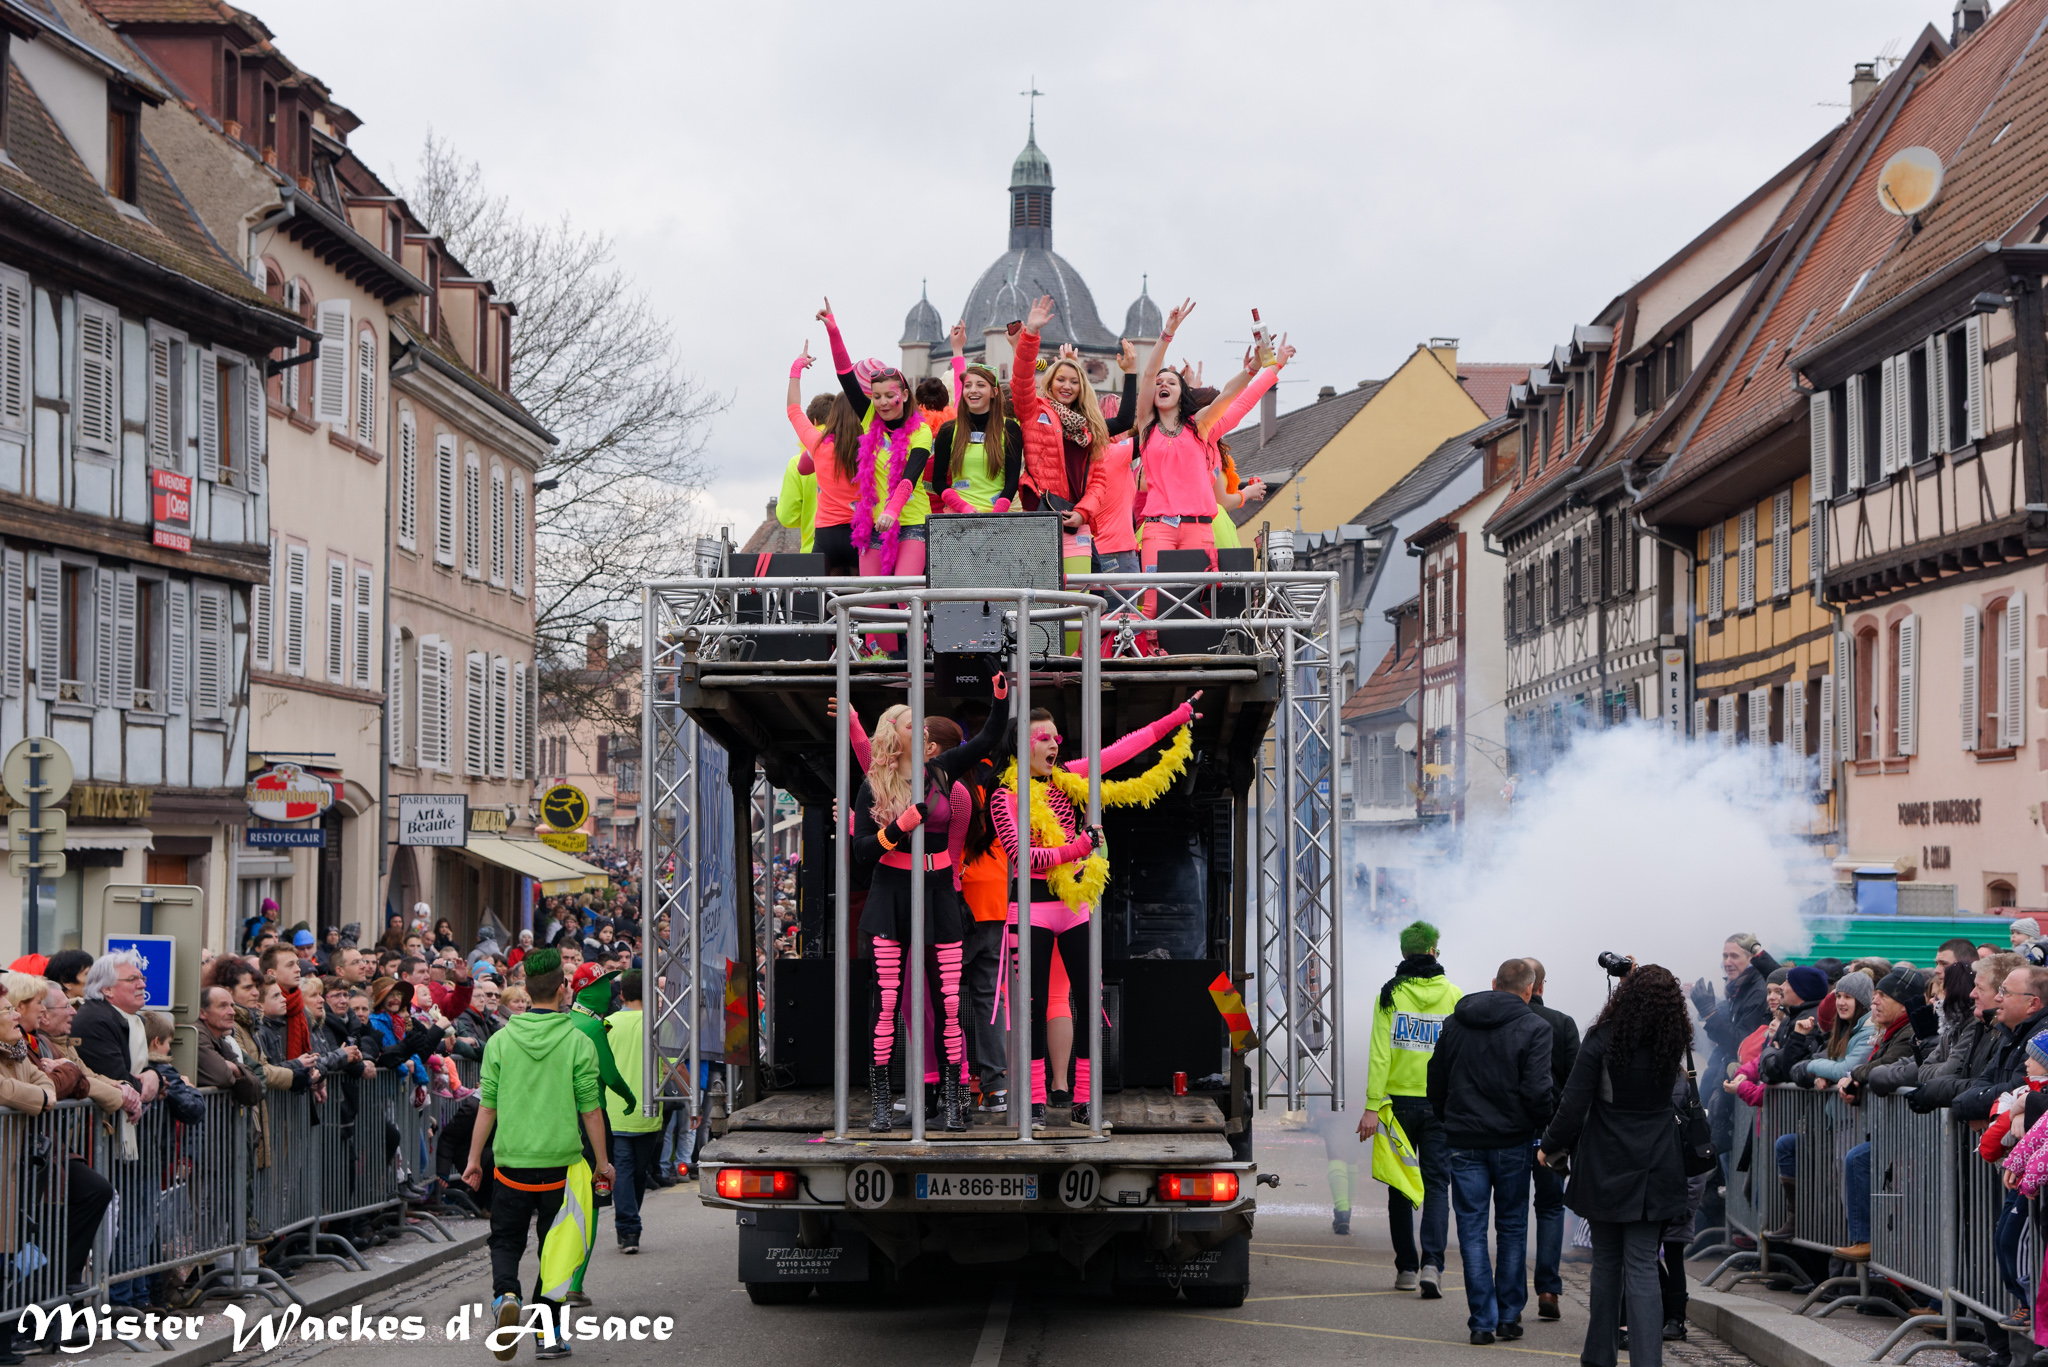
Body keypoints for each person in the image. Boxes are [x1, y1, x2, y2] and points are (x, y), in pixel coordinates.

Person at [987, 698, 1202, 1128]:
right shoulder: (1004, 796)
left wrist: (1174, 718)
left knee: (1089, 1000)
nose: (1053, 745)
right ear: (1020, 746)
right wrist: (1077, 849)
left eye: (1055, 738)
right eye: (1043, 738)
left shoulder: (1067, 779)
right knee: (1030, 1007)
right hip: (1029, 908)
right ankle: (1032, 1100)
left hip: (1074, 907)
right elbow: (1020, 854)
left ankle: (1084, 1098)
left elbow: (1120, 751)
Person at [845, 686, 1013, 1132]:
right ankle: (882, 1102)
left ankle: (957, 1102)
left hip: (939, 892)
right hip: (892, 894)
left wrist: (999, 697)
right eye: (910, 723)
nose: (920, 729)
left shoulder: (940, 770)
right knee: (888, 1004)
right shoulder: (874, 785)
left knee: (950, 1005)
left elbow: (987, 739)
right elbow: (861, 851)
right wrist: (898, 828)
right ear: (895, 736)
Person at [1540, 965, 1691, 1367]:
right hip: (1657, 1160)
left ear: (1625, 996)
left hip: (1606, 1158)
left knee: (1606, 1261)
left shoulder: (1604, 1038)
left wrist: (1550, 1145)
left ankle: (1598, 1356)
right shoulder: (1673, 1039)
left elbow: (1573, 1103)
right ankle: (1647, 1361)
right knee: (1642, 1263)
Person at [463, 949, 610, 1362]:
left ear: (525, 990)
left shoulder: (500, 1041)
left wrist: (475, 1158)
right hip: (561, 1166)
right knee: (556, 1249)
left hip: (511, 1164)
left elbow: (487, 1106)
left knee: (506, 1240)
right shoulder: (579, 1041)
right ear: (563, 990)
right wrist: (602, 1162)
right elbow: (591, 1109)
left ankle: (505, 1295)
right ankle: (548, 1337)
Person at [1427, 957, 1552, 1345]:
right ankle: (1509, 1316)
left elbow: (1436, 1080)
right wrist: (1540, 1124)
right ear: (1530, 990)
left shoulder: (1456, 1022)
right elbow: (1536, 1090)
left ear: (1494, 982)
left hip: (1464, 1140)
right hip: (1513, 1141)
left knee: (1471, 1230)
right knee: (1513, 1227)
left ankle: (1482, 1320)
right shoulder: (1536, 1026)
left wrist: (1450, 1119)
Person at [1126, 298, 1273, 574]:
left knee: (1192, 602)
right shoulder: (1147, 426)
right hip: (1158, 527)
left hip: (1198, 526)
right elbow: (1147, 375)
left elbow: (1230, 396)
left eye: (1171, 382)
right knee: (1156, 604)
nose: (1162, 384)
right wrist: (1168, 332)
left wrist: (1254, 366)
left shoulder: (1199, 425)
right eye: (1160, 383)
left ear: (1183, 394)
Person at [1360, 920, 1462, 1298]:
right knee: (1437, 1184)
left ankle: (1406, 1267)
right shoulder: (1454, 995)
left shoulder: (1389, 995)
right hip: (1440, 1106)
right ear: (1434, 951)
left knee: (1400, 1186)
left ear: (1404, 954)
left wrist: (1373, 1105)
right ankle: (1432, 1264)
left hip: (1396, 1105)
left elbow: (1379, 1054)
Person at [815, 303, 935, 581]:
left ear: (904, 395)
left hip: (912, 524)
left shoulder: (921, 432)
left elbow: (910, 478)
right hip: (873, 527)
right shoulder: (870, 419)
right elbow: (845, 374)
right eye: (876, 396)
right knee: (874, 604)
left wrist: (893, 511)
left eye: (889, 395)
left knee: (906, 598)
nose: (882, 403)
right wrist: (833, 331)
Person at [1832, 968, 1939, 1263]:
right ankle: (1869, 1248)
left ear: (1903, 1004)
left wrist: (1854, 1075)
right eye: (1875, 994)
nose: (1874, 1001)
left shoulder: (1909, 1032)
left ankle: (1869, 1242)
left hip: (1912, 1136)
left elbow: (1886, 1068)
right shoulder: (1891, 1030)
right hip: (1895, 1132)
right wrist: (1858, 1084)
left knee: (1859, 1160)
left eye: (1882, 996)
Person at [1526, 958, 1581, 1323]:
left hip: (1508, 1130)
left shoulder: (1498, 1020)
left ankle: (1509, 1296)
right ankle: (1548, 1287)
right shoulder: (1561, 1023)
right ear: (1541, 987)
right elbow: (1577, 1084)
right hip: (1551, 1130)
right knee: (1549, 1208)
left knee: (1511, 1215)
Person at [931, 322, 1020, 516]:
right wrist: (964, 508)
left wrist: (995, 515)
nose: (973, 390)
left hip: (1000, 518)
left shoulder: (1010, 428)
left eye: (980, 385)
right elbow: (938, 481)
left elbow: (1012, 481)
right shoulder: (948, 430)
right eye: (968, 385)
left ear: (994, 392)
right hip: (958, 517)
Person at [605, 971, 661, 1254]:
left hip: (615, 1111)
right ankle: (629, 1228)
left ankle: (627, 1227)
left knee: (631, 1173)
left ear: (622, 995)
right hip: (648, 1111)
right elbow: (675, 1064)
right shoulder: (659, 1024)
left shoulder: (608, 1024)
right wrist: (693, 1102)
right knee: (635, 1171)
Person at [774, 394, 829, 554]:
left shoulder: (797, 463)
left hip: (813, 553)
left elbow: (787, 517)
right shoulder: (854, 456)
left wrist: (807, 514)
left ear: (814, 422)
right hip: (854, 551)